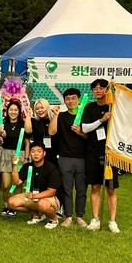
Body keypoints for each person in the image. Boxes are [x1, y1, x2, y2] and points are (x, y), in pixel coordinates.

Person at [81, 78, 120, 233]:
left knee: (111, 189)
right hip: (93, 152)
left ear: (107, 90)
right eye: (95, 88)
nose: (98, 90)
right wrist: (102, 120)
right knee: (95, 187)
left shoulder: (115, 106)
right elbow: (85, 128)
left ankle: (112, 221)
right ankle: (95, 218)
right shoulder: (89, 107)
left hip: (111, 154)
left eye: (102, 87)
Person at [48, 88, 88, 228]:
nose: (71, 101)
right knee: (67, 189)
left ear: (79, 100)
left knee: (81, 189)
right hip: (65, 158)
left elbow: (91, 137)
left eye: (73, 98)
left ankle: (80, 216)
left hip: (82, 158)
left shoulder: (85, 116)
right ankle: (69, 216)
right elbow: (51, 131)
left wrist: (81, 133)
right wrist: (56, 115)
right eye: (68, 99)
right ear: (64, 101)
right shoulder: (62, 116)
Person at [7, 142, 62, 229]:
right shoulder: (27, 166)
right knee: (11, 202)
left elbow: (52, 191)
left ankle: (53, 218)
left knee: (42, 204)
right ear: (30, 154)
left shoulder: (51, 167)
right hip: (32, 196)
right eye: (33, 151)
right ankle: (36, 214)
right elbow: (15, 182)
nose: (36, 154)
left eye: (39, 151)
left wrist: (34, 196)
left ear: (44, 153)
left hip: (50, 198)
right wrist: (14, 165)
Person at [0, 100, 32, 217]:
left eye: (15, 110)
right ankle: (7, 205)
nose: (13, 112)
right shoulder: (3, 124)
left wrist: (26, 159)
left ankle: (15, 206)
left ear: (19, 111)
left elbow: (27, 143)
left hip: (20, 155)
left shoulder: (23, 125)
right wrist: (1, 132)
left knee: (17, 183)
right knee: (6, 185)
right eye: (11, 110)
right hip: (6, 155)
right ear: (7, 111)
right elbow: (4, 135)